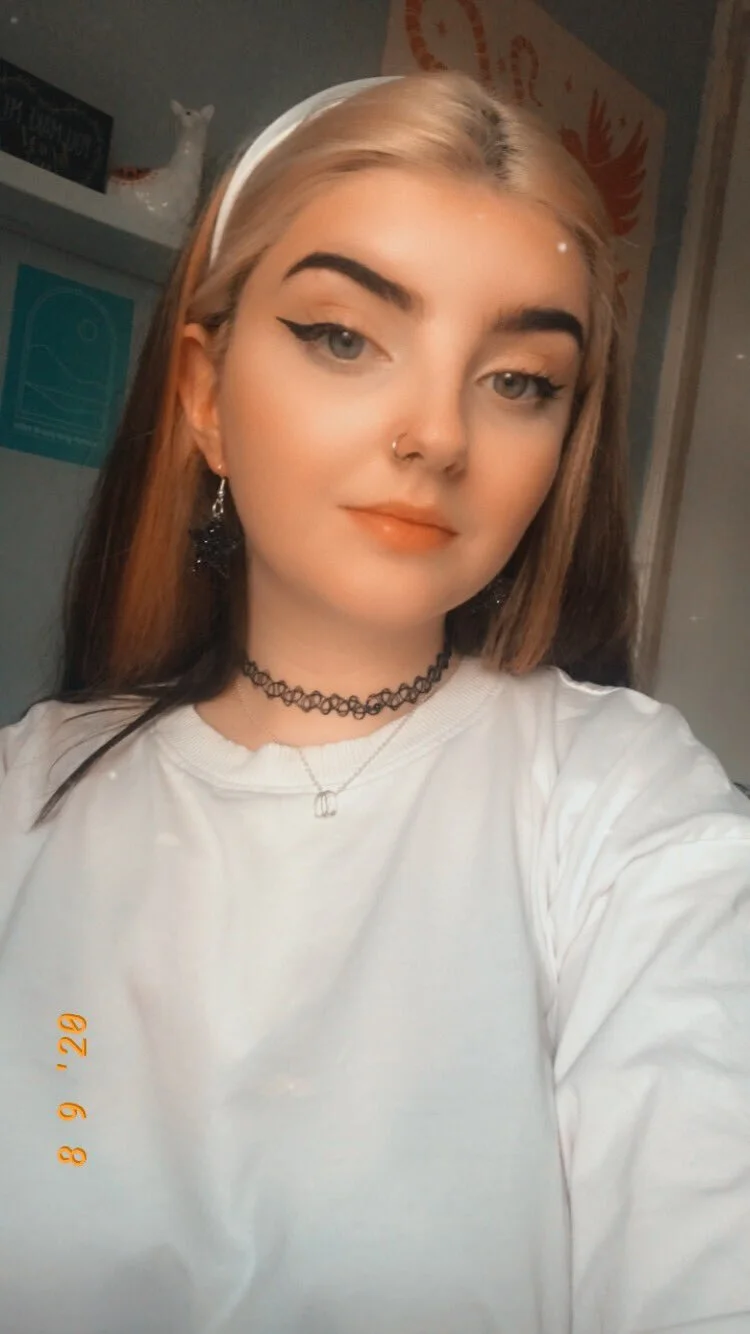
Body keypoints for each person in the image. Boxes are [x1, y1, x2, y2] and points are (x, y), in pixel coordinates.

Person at [0, 70, 748, 1334]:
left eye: (521, 380)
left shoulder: (624, 808)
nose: (437, 434)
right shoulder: (27, 797)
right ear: (204, 395)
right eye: (345, 336)